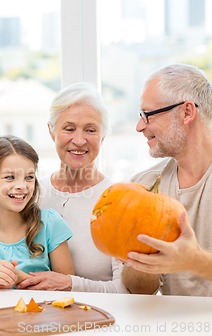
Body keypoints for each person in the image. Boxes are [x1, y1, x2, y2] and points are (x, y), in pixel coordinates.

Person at [121, 63, 212, 297]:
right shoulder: (144, 186)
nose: (140, 126)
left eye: (147, 115)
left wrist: (193, 260)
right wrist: (141, 257)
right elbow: (138, 290)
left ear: (187, 112)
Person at [16, 82, 127, 293]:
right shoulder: (30, 193)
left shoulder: (118, 200)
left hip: (100, 318)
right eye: (69, 129)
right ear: (51, 131)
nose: (79, 140)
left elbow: (125, 289)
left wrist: (70, 284)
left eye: (90, 130)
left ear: (102, 137)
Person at [0, 135, 74, 288]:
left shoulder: (50, 222)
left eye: (29, 177)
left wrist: (20, 278)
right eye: (10, 177)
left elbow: (69, 289)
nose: (22, 186)